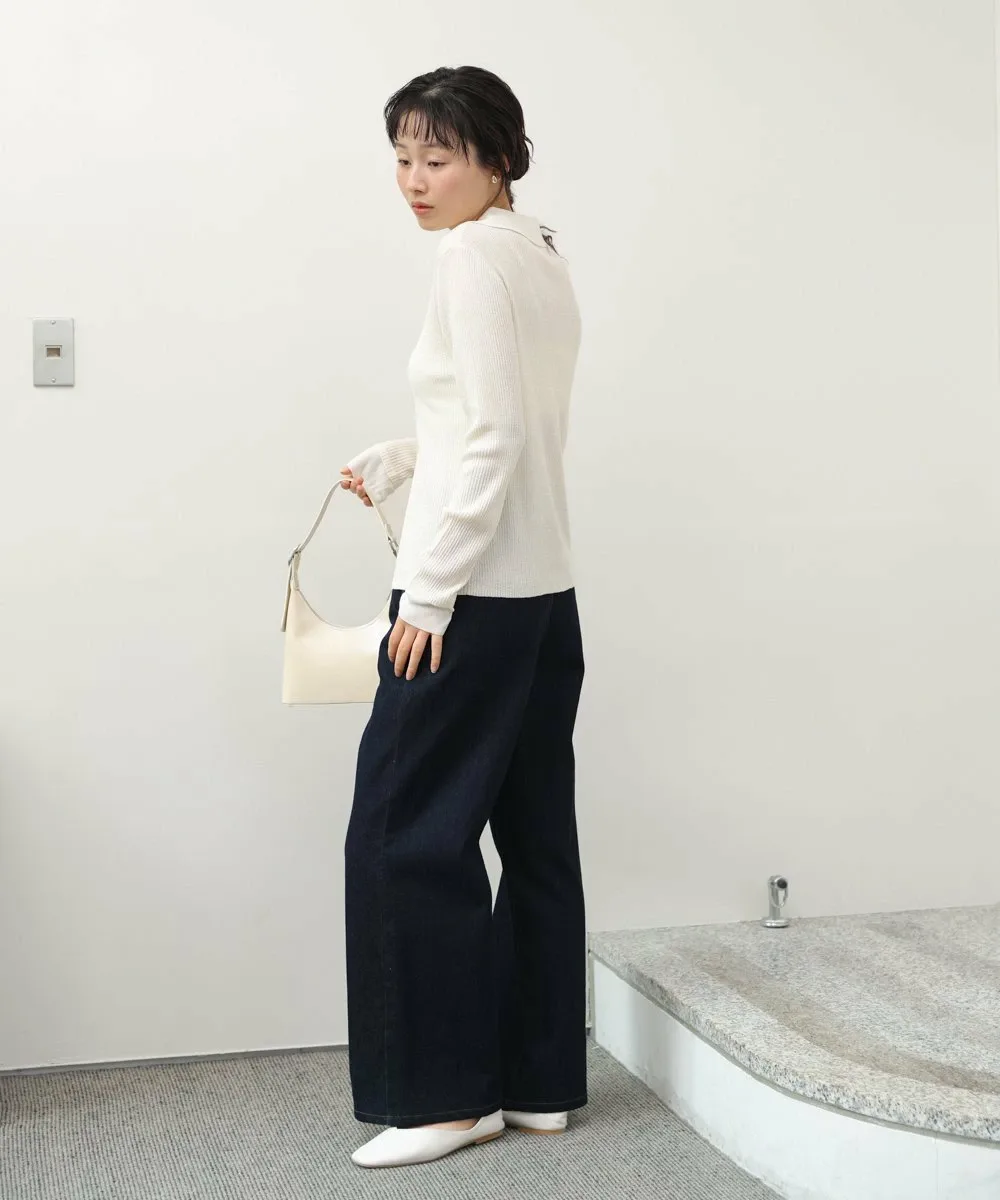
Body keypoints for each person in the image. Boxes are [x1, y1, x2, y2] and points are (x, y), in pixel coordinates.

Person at [339, 65, 587, 1170]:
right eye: (402, 157)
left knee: (403, 834)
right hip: (543, 593)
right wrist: (407, 456)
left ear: (498, 158)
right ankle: (537, 1083)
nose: (414, 180)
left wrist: (429, 589)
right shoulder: (537, 252)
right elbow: (508, 418)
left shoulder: (469, 258)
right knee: (533, 833)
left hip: (469, 598)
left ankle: (442, 1100)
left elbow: (494, 434)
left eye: (438, 158)